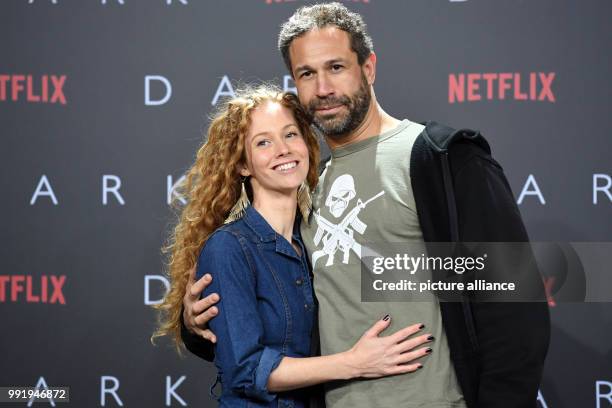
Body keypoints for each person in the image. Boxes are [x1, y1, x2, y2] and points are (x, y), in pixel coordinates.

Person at [181, 3, 551, 408]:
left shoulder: (442, 160)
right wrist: (197, 325)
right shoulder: (307, 188)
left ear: (368, 68)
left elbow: (515, 303)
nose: (323, 88)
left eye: (336, 67)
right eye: (307, 74)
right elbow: (276, 332)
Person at [152, 85, 435, 408]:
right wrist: (355, 362)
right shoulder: (229, 248)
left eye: (290, 135)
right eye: (263, 142)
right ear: (243, 165)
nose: (283, 149)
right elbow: (245, 369)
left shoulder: (314, 243)